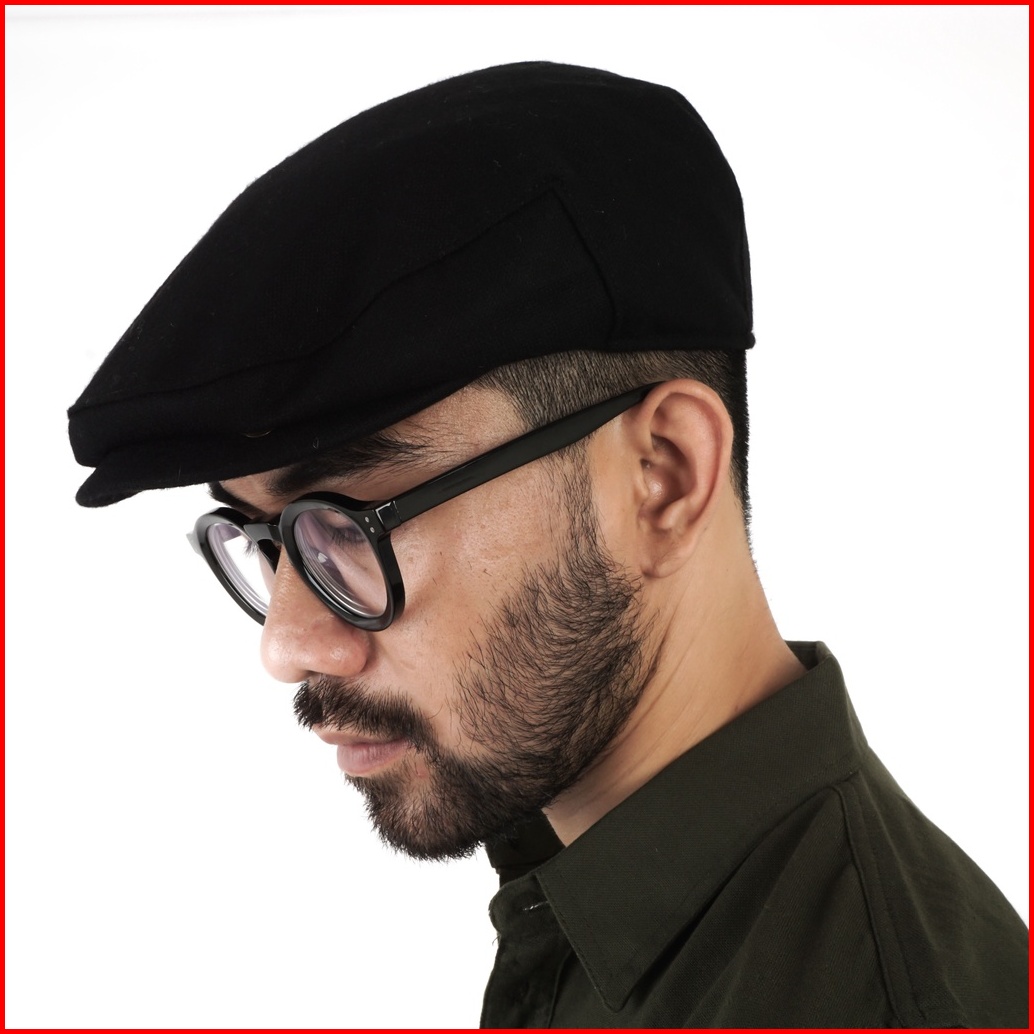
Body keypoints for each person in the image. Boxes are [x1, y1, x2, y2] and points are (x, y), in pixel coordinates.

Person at [67, 61, 1027, 1028]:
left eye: (350, 522)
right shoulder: (592, 892)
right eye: (269, 542)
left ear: (662, 476)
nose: (286, 646)